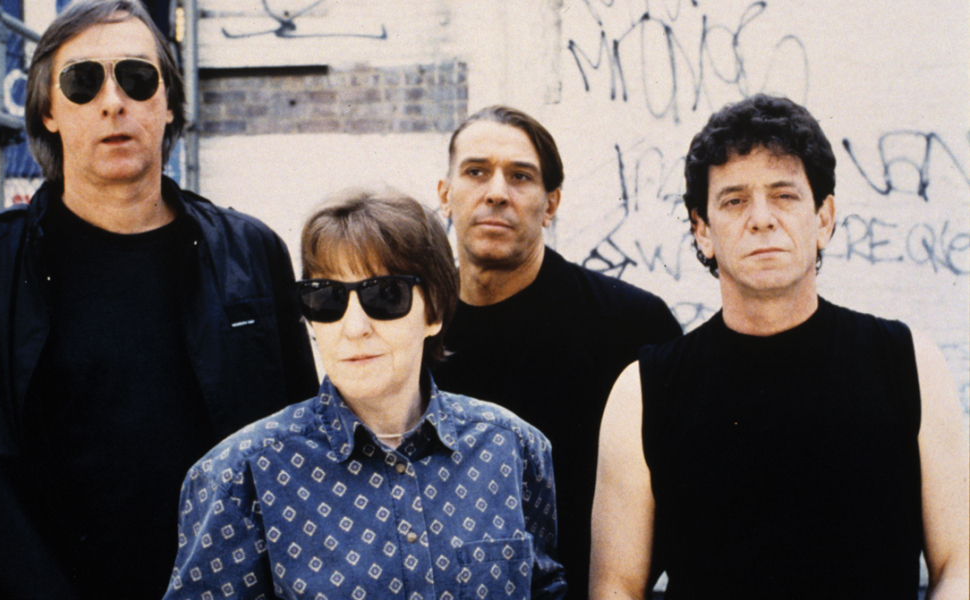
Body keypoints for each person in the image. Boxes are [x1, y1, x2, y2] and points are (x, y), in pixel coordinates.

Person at [0, 1, 318, 598]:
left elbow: (304, 456)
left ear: (168, 104)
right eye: (83, 81)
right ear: (48, 110)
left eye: (138, 78)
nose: (113, 101)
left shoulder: (251, 256)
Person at [590, 94, 969, 600]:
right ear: (702, 231)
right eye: (734, 200)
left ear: (824, 218)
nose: (762, 218)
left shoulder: (909, 364)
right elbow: (615, 587)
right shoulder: (643, 391)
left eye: (784, 195)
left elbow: (959, 566)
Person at [165, 188, 567, 600]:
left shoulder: (512, 448)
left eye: (385, 295)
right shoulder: (239, 476)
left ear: (434, 311)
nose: (354, 327)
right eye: (327, 298)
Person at [432, 105, 681, 594]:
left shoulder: (631, 325)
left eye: (520, 176)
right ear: (445, 195)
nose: (496, 192)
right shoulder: (412, 327)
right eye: (476, 172)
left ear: (551, 203)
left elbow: (682, 497)